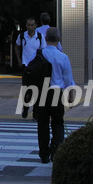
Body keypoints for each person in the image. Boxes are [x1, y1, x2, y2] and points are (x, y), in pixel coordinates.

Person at [35, 27, 76, 164]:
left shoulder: (39, 54)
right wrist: (71, 95)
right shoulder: (63, 57)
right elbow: (68, 79)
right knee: (57, 122)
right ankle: (55, 149)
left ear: (45, 39)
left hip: (41, 93)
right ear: (59, 40)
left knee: (43, 124)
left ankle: (44, 154)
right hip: (56, 93)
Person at [15, 16, 44, 117]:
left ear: (36, 26)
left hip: (37, 67)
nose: (30, 27)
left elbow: (43, 51)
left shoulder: (40, 37)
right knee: (27, 90)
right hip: (26, 66)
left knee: (37, 90)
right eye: (28, 25)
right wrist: (19, 60)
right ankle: (26, 107)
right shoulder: (22, 36)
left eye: (32, 25)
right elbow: (17, 47)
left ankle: (36, 112)